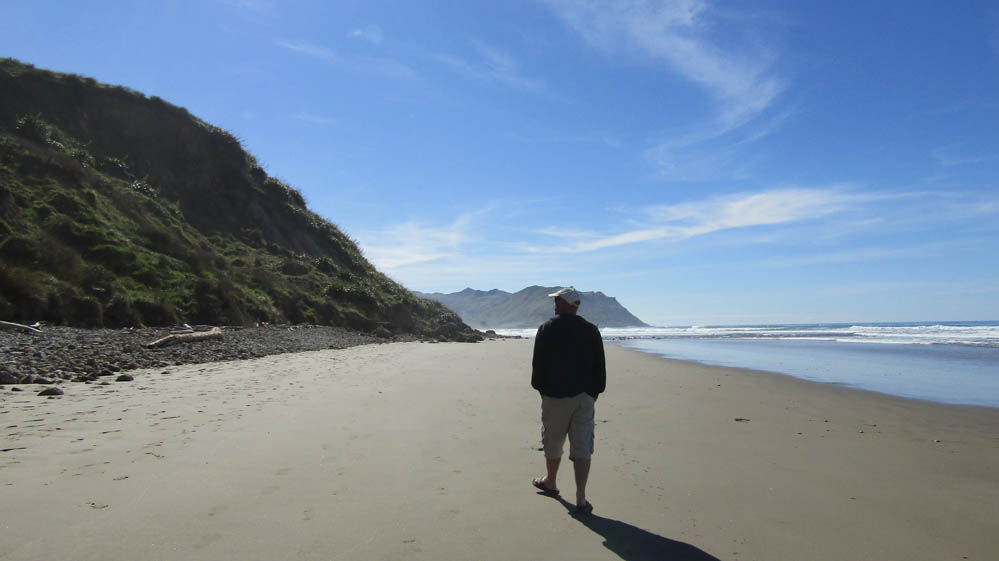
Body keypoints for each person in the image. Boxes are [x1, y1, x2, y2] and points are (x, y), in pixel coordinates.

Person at [530, 286, 606, 515]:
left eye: (558, 301)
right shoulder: (591, 330)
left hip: (555, 397)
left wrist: (542, 390)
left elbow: (538, 366)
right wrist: (593, 394)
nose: (555, 304)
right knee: (582, 446)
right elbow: (599, 369)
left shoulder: (547, 328)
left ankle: (551, 481)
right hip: (584, 397)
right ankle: (581, 497)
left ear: (567, 304)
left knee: (553, 441)